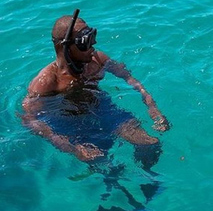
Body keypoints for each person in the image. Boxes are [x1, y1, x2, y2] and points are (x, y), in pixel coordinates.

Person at [21, 9, 169, 171]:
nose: (93, 46)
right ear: (64, 47)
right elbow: (30, 120)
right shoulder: (45, 83)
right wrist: (72, 148)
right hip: (69, 124)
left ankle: (147, 177)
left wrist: (152, 107)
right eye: (85, 42)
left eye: (92, 37)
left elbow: (131, 80)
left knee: (150, 144)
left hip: (103, 109)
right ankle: (114, 182)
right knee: (100, 160)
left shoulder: (98, 60)